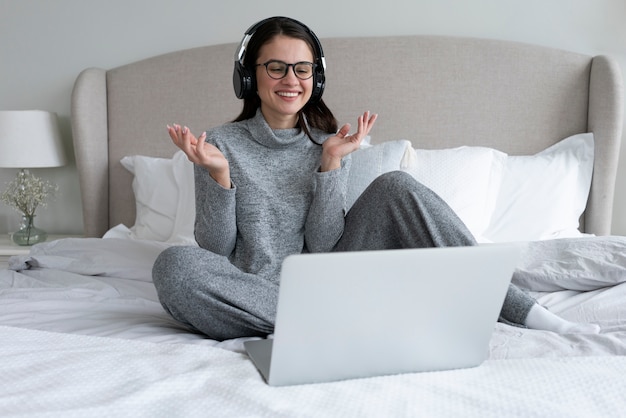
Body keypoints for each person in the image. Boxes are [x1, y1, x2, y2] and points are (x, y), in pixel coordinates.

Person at [152, 16, 600, 341]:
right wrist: (218, 176)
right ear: (250, 76)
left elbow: (325, 246)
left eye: (302, 68)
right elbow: (216, 249)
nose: (291, 79)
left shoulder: (328, 143)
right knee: (174, 265)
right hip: (254, 293)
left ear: (316, 77)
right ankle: (333, 321)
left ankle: (529, 312)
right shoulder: (220, 146)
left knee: (395, 186)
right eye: (276, 67)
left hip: (332, 280)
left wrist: (329, 166)